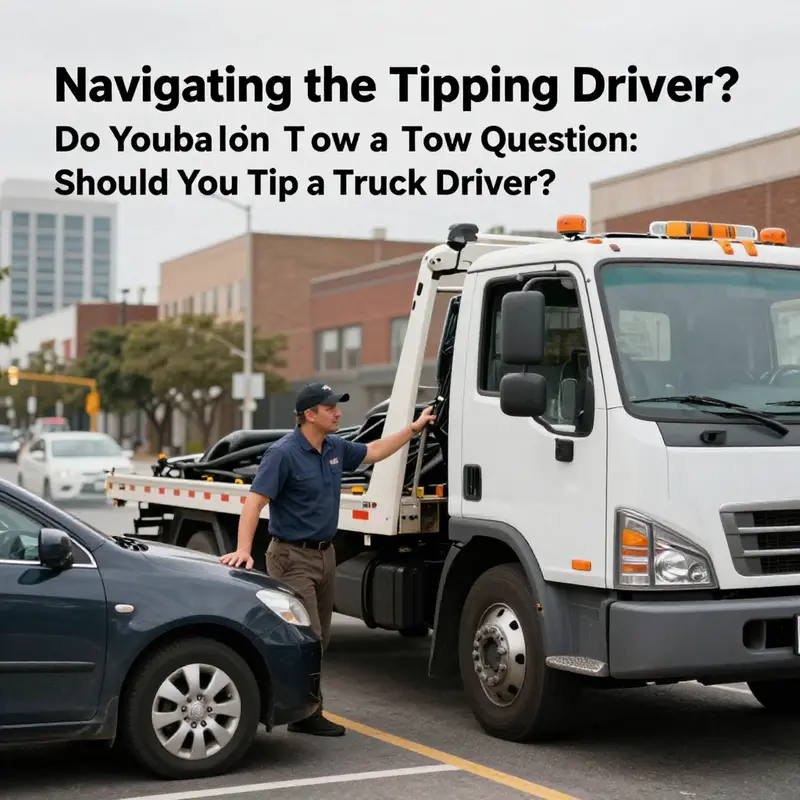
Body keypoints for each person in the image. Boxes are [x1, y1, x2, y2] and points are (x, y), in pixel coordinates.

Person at [219, 382, 436, 736]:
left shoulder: (334, 446)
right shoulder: (283, 454)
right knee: (306, 638)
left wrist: (413, 429)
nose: (338, 414)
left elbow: (374, 451)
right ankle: (302, 712)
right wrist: (244, 549)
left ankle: (303, 708)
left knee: (321, 641)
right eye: (330, 408)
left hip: (324, 555)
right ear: (309, 415)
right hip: (291, 557)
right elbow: (254, 502)